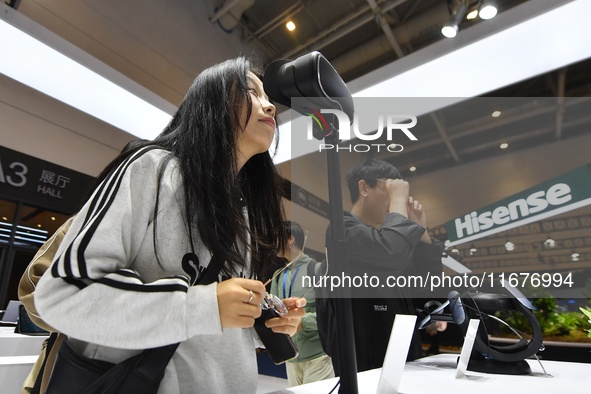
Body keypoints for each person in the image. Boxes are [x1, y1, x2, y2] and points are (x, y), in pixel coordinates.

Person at [34, 57, 306, 394]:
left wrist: (259, 322)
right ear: (214, 101)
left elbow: (206, 326)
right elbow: (64, 296)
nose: (269, 105)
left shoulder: (243, 211)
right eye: (251, 91)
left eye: (267, 96)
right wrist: (205, 305)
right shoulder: (151, 169)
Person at [323, 159, 443, 374]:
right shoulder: (342, 229)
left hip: (404, 352)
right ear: (364, 188)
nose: (398, 198)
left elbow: (427, 289)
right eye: (389, 189)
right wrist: (399, 206)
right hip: (367, 356)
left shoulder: (391, 240)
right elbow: (389, 252)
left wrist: (421, 233)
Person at [270, 221, 334, 386]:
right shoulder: (278, 274)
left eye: (277, 238)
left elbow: (330, 314)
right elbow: (275, 311)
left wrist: (301, 321)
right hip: (291, 357)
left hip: (318, 355)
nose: (273, 242)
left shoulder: (317, 269)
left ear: (290, 239)